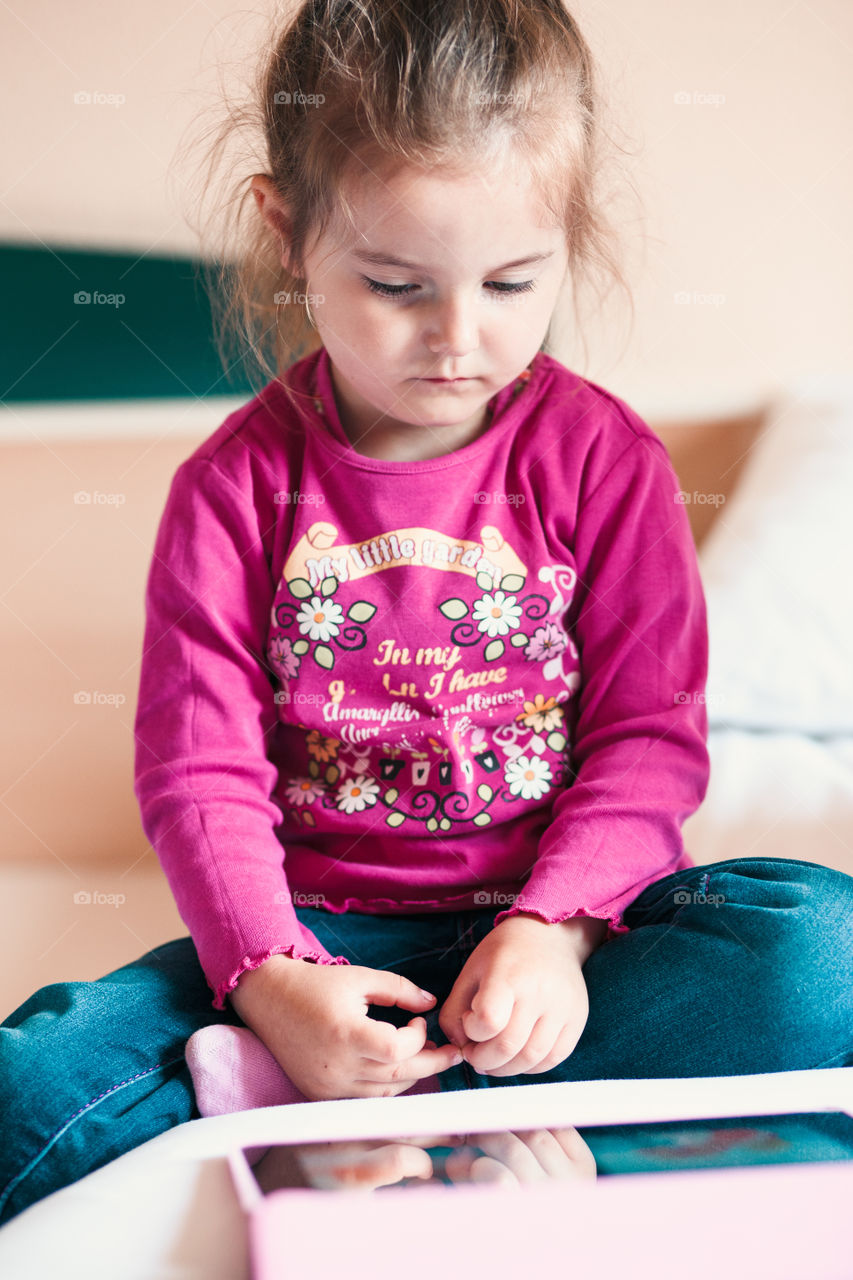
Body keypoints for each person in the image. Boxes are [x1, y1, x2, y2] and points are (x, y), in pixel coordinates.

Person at [2, 0, 852, 1228]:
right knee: (30, 1080)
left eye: (513, 280)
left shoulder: (605, 462)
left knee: (817, 951)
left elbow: (646, 742)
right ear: (286, 233)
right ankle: (332, 1082)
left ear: (566, 240)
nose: (460, 337)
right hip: (317, 945)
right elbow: (199, 772)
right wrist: (274, 978)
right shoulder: (233, 489)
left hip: (569, 940)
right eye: (397, 284)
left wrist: (553, 929)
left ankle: (416, 1109)